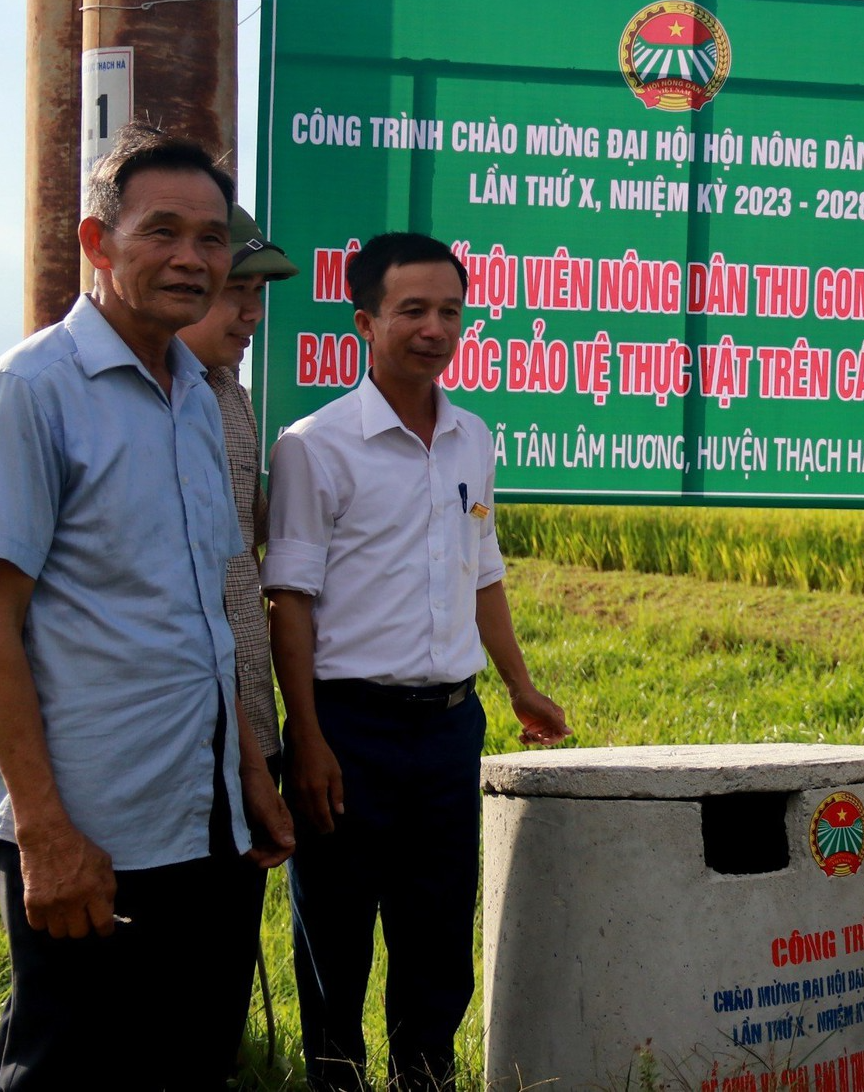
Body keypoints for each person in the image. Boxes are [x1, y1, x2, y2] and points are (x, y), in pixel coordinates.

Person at [0, 125, 293, 1090]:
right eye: (162, 232)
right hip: (92, 830)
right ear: (97, 243)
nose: (193, 259)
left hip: (208, 824)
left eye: (210, 239)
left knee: (190, 1063)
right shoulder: (32, 391)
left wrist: (252, 776)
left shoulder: (198, 396)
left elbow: (206, 621)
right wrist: (45, 834)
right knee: (68, 1073)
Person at [263, 231, 571, 1092]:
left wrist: (519, 686)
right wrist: (309, 737)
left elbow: (486, 572)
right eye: (412, 311)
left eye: (449, 312)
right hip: (348, 728)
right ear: (366, 320)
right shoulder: (314, 446)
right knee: (335, 929)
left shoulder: (472, 437)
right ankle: (335, 1074)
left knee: (437, 926)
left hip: (447, 726)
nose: (433, 329)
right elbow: (290, 600)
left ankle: (424, 1075)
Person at [176, 205, 301, 1058]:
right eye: (237, 291)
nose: (252, 313)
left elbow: (243, 558)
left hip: (246, 723)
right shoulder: (133, 402)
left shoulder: (231, 399)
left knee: (214, 976)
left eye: (259, 292)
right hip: (173, 741)